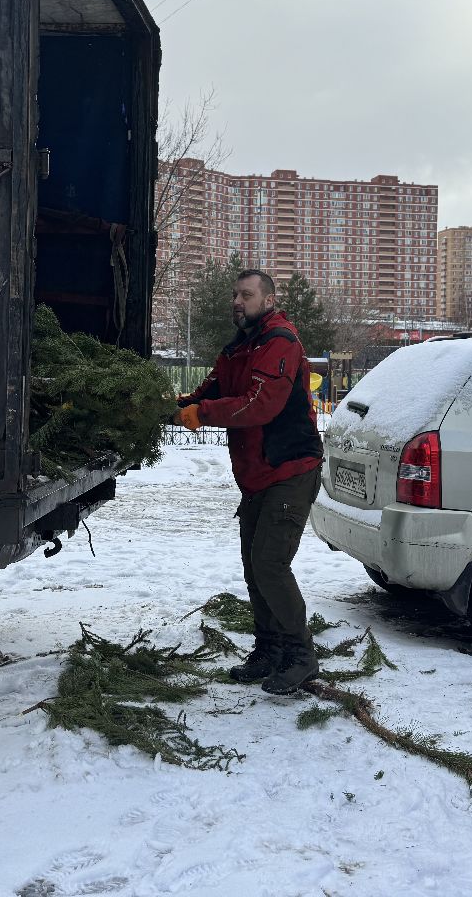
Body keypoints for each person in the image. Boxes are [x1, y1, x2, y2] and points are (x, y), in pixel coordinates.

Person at [176, 269, 324, 695]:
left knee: (270, 564)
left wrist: (202, 415)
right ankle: (269, 649)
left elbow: (261, 405)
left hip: (290, 469)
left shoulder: (280, 341)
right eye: (234, 295)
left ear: (269, 300)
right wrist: (178, 406)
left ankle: (300, 656)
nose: (237, 301)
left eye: (247, 294)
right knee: (254, 567)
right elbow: (212, 389)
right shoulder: (240, 347)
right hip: (258, 475)